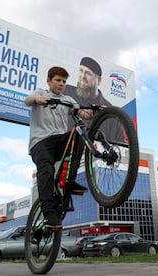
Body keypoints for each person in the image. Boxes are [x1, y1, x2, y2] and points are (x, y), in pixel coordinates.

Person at [25, 66, 94, 230]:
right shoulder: (41, 92)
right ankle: (49, 214)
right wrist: (37, 100)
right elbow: (28, 100)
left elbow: (83, 114)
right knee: (46, 170)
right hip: (40, 142)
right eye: (58, 80)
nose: (61, 84)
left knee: (79, 133)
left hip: (60, 141)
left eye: (64, 81)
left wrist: (95, 112)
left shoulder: (68, 100)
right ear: (49, 81)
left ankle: (68, 180)